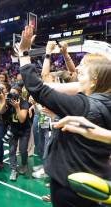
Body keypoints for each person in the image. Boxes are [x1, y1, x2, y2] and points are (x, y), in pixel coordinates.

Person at [18, 25, 111, 207]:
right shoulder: (104, 102)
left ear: (94, 80)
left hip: (72, 185)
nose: (77, 72)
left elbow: (38, 89)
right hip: (95, 179)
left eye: (82, 71)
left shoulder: (83, 105)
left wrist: (23, 53)